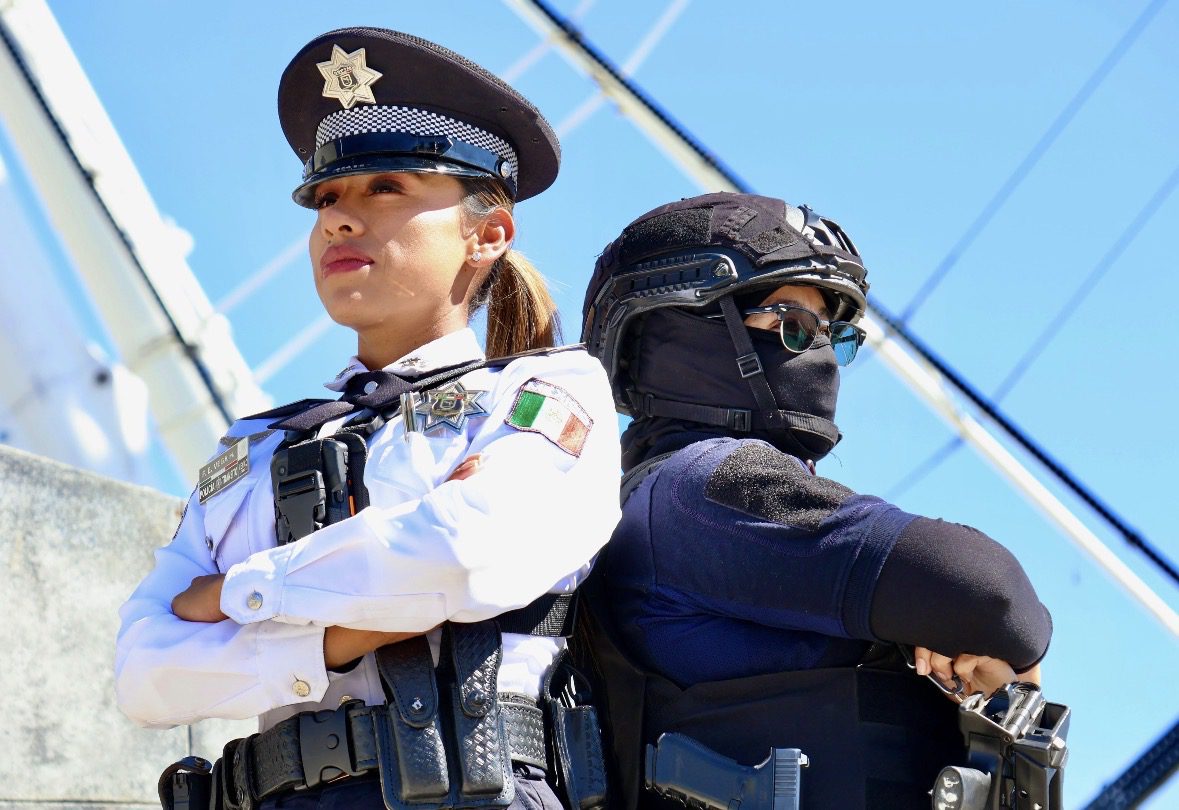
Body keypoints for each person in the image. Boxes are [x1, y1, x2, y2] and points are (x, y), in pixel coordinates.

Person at [116, 28, 619, 810]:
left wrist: (236, 595)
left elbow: (462, 556)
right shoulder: (255, 448)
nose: (338, 221)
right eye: (326, 198)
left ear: (487, 233)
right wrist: (340, 636)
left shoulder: (543, 392)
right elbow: (145, 673)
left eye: (385, 187)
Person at [578, 192, 1053, 809]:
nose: (821, 354)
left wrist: (945, 635)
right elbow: (990, 593)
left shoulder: (657, 499)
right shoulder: (703, 487)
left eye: (834, 335)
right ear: (682, 331)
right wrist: (991, 645)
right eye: (793, 326)